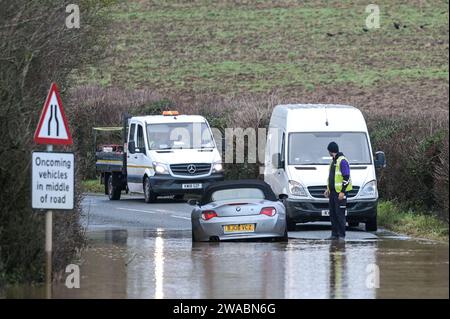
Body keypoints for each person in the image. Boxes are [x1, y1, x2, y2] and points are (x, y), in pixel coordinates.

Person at [324, 142, 352, 241]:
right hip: (333, 193)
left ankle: (341, 235)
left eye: (328, 151)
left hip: (340, 193)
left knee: (340, 214)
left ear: (331, 150)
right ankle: (334, 235)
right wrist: (328, 189)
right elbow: (332, 178)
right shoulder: (333, 161)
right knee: (333, 214)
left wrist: (343, 192)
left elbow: (346, 177)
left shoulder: (342, 161)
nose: (328, 153)